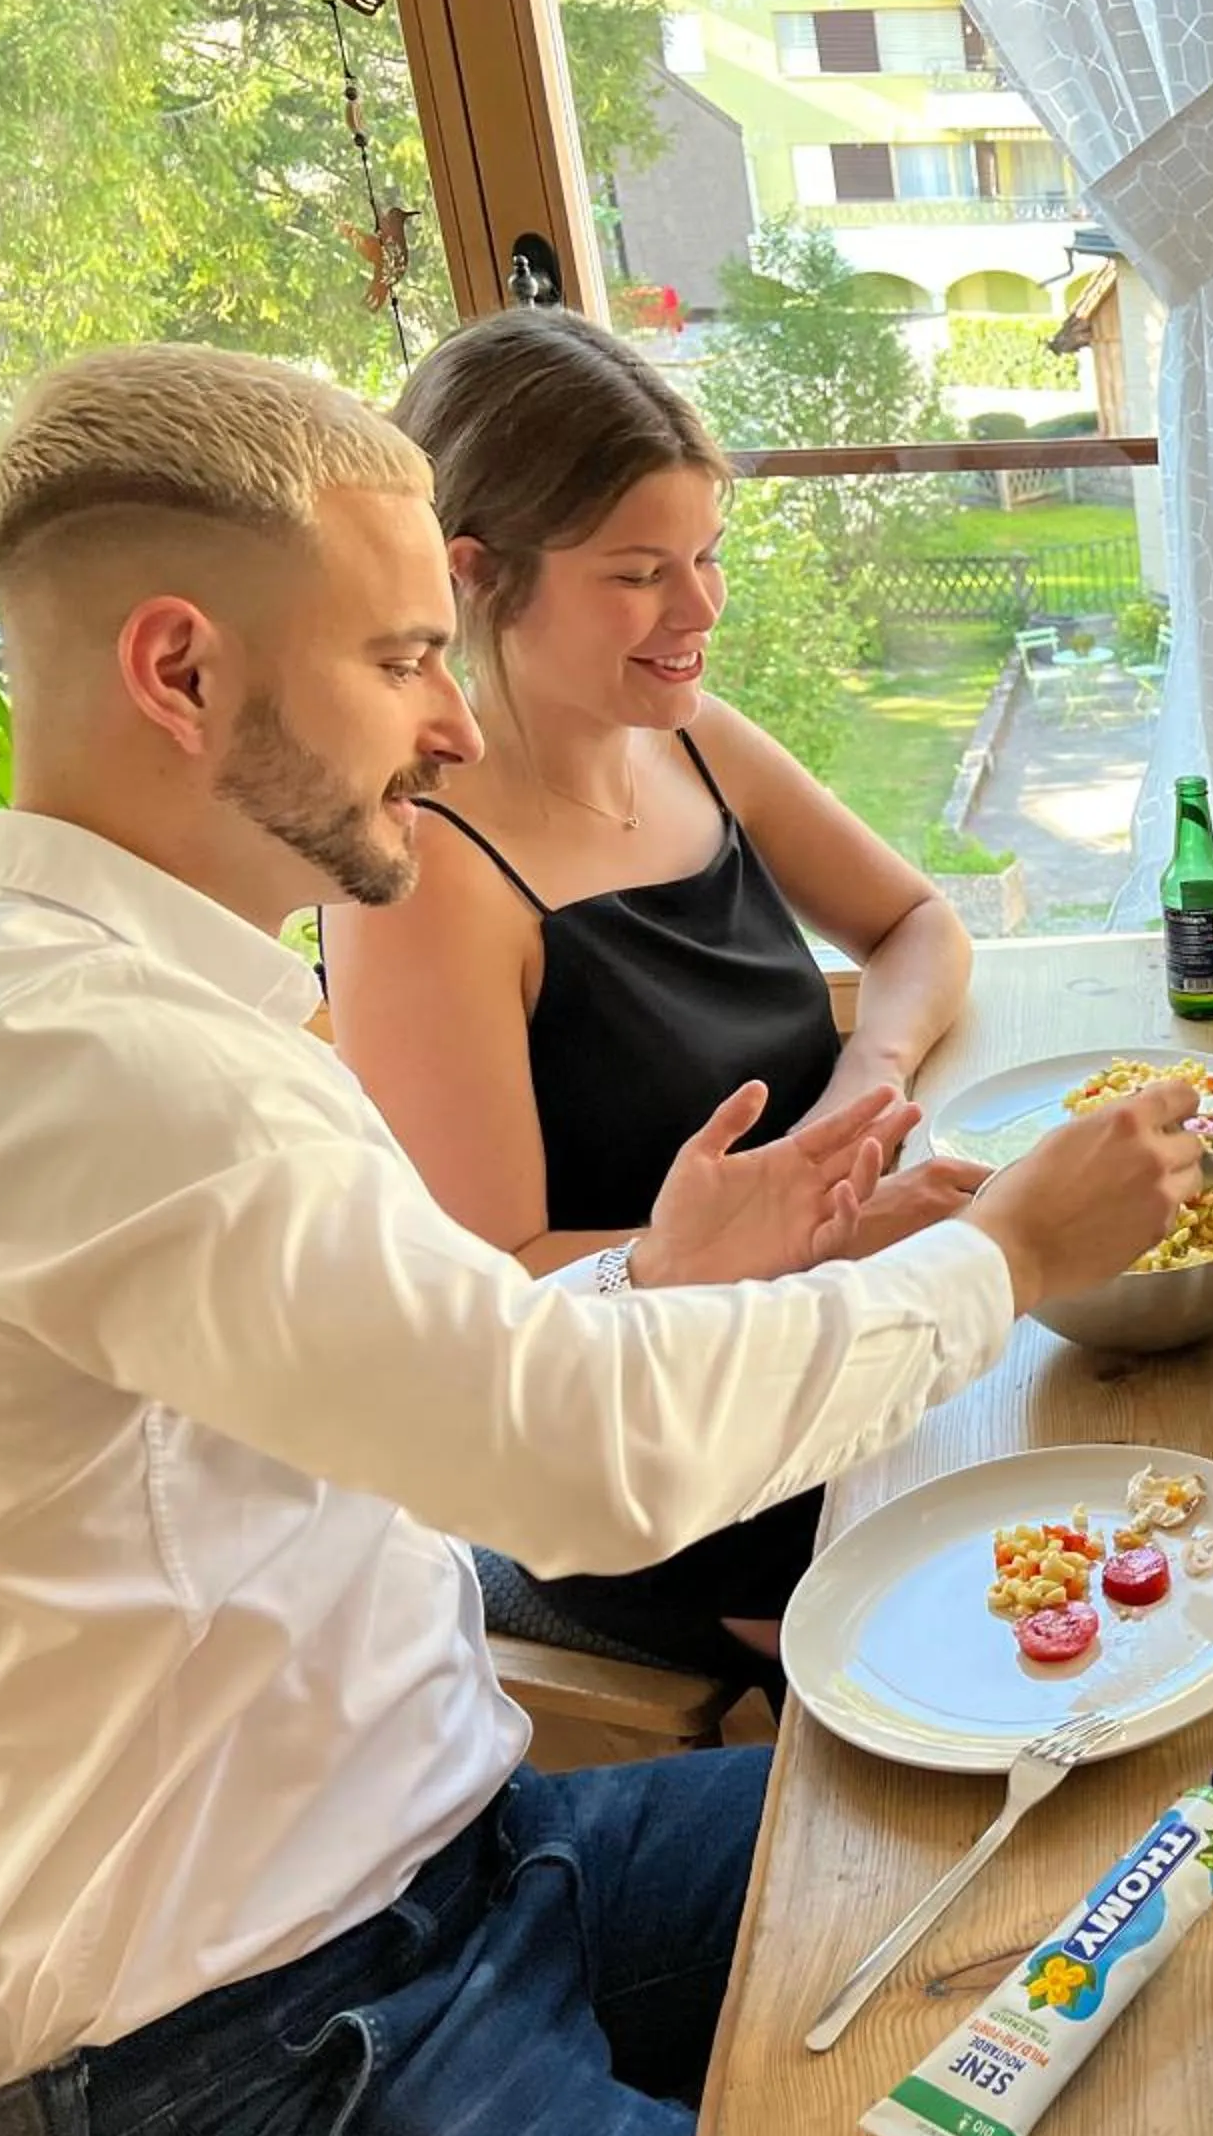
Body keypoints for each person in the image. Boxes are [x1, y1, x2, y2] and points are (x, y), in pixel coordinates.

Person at [0, 343, 1201, 2136]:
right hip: (228, 2059)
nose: (448, 727)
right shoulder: (87, 1063)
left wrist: (652, 1266)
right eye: (398, 657)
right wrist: (1012, 1253)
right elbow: (569, 1467)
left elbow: (454, 1364)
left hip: (479, 1855)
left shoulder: (183, 1005)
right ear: (181, 671)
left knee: (1131, 1835)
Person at [323, 310, 976, 1688]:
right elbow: (492, 1289)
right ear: (477, 576)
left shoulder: (685, 737)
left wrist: (873, 1080)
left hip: (819, 1322)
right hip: (661, 1469)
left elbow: (919, 923)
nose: (701, 612)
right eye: (639, 574)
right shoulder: (424, 877)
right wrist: (812, 1239)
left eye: (708, 557)